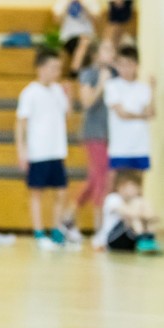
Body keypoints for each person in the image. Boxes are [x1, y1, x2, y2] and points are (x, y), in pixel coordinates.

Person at [15, 49, 71, 250]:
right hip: (38, 151)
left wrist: (68, 94)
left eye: (59, 68)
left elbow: (66, 113)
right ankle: (39, 232)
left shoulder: (58, 90)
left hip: (57, 149)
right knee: (36, 193)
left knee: (61, 191)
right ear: (41, 68)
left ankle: (56, 230)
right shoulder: (30, 92)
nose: (57, 72)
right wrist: (22, 150)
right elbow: (21, 123)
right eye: (53, 67)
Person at [64, 39, 117, 234]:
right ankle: (100, 228)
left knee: (96, 179)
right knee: (101, 179)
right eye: (106, 48)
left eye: (112, 49)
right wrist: (102, 83)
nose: (111, 53)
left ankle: (68, 216)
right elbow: (86, 103)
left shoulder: (115, 75)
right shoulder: (89, 74)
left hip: (111, 134)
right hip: (94, 133)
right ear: (95, 54)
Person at [104, 46, 155, 176]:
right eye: (121, 65)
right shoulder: (112, 86)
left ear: (136, 65)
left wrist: (153, 90)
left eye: (129, 64)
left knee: (137, 187)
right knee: (115, 186)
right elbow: (122, 114)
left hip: (140, 146)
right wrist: (143, 116)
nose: (125, 69)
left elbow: (151, 113)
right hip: (119, 148)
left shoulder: (143, 88)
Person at [92, 169, 160, 253]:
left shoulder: (136, 200)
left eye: (136, 187)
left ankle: (149, 240)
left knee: (141, 204)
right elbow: (130, 214)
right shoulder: (113, 198)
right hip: (112, 239)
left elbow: (153, 217)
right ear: (121, 187)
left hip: (128, 240)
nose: (135, 190)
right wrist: (144, 214)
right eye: (132, 187)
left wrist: (148, 216)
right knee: (134, 214)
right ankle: (143, 239)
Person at [52, 0, 101, 78]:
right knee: (84, 42)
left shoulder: (91, 2)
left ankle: (75, 72)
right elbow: (57, 22)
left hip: (89, 37)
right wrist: (68, 5)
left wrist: (84, 6)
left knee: (85, 42)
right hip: (69, 38)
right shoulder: (62, 2)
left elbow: (97, 21)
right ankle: (74, 73)